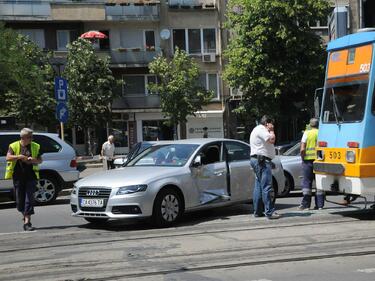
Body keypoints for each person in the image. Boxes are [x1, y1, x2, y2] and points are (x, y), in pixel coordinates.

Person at [5, 128, 42, 231]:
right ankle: (25, 214)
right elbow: (8, 157)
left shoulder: (35, 146)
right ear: (23, 138)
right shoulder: (13, 145)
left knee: (29, 200)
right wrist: (19, 156)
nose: (32, 139)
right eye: (30, 137)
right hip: (18, 177)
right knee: (20, 202)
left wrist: (33, 160)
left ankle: (27, 222)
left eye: (32, 137)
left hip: (31, 177)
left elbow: (40, 160)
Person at [249, 115, 280, 219]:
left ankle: (257, 211)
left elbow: (264, 147)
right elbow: (272, 140)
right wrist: (271, 130)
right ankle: (270, 212)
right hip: (262, 161)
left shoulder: (256, 129)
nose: (273, 126)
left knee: (259, 186)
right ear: (267, 123)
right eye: (272, 124)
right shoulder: (262, 129)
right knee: (267, 186)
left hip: (259, 160)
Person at [298, 118, 325, 210]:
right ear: (318, 125)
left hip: (308, 161)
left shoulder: (307, 133)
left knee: (307, 183)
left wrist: (303, 158)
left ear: (310, 125)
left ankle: (306, 205)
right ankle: (320, 205)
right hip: (319, 161)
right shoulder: (321, 133)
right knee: (319, 183)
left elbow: (302, 149)